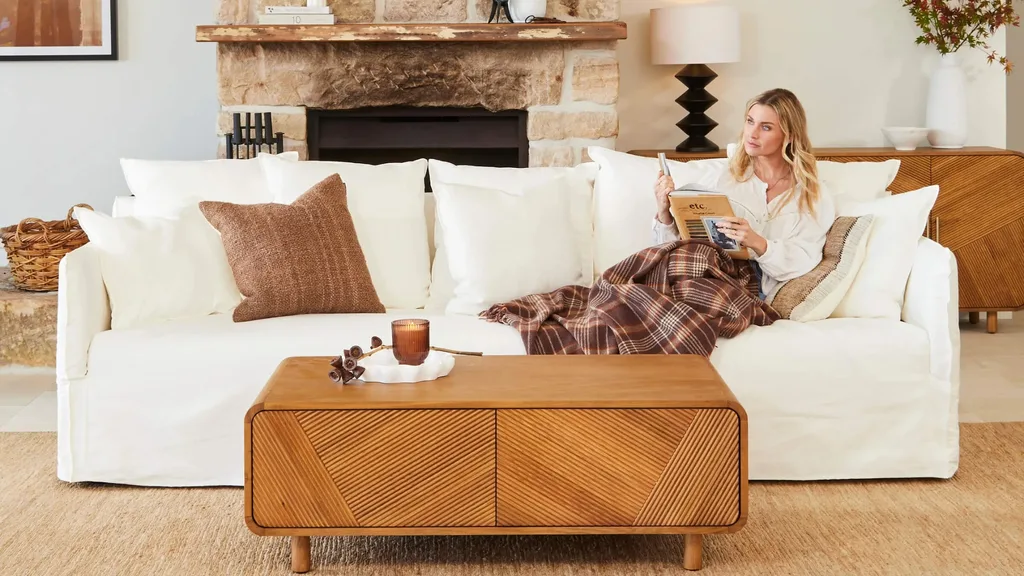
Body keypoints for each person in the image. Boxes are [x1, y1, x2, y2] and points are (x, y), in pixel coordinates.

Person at [653, 88, 836, 299]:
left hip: (752, 285)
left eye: (766, 127)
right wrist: (665, 212)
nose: (752, 133)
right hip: (711, 270)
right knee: (660, 278)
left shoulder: (812, 194)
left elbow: (805, 260)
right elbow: (676, 246)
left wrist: (758, 243)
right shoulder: (729, 177)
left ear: (790, 135)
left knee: (677, 294)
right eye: (750, 121)